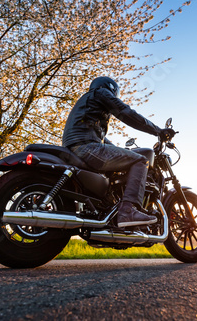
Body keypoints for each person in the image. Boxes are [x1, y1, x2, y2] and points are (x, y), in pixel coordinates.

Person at [62, 76, 175, 228]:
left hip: (78, 147)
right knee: (141, 160)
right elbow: (126, 112)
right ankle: (127, 211)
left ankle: (110, 209)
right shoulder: (101, 93)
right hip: (87, 147)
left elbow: (101, 138)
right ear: (111, 88)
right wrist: (158, 131)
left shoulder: (87, 103)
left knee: (122, 166)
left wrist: (120, 150)